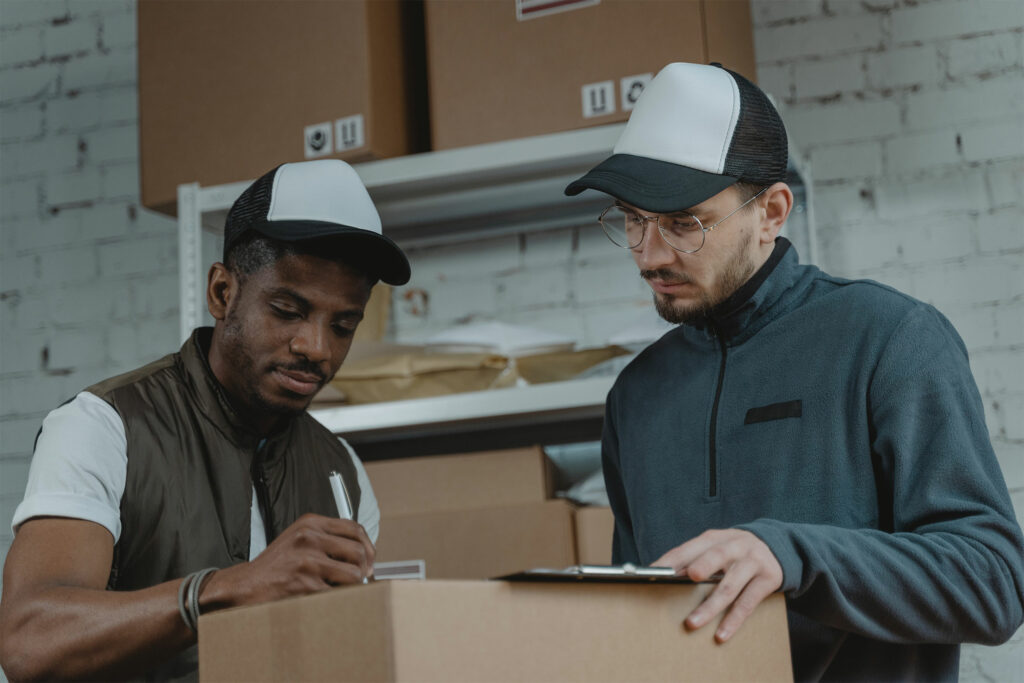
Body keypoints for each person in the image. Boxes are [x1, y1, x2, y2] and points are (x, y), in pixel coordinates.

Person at [565, 62, 1024, 681]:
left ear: (772, 213)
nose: (649, 253)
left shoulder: (889, 337)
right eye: (632, 219)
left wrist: (794, 554)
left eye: (683, 224)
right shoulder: (635, 395)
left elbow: (993, 583)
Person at [0, 159, 411, 681]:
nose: (316, 348)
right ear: (223, 293)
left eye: (344, 326)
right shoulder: (104, 426)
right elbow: (29, 641)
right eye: (287, 310)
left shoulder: (341, 470)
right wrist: (226, 588)